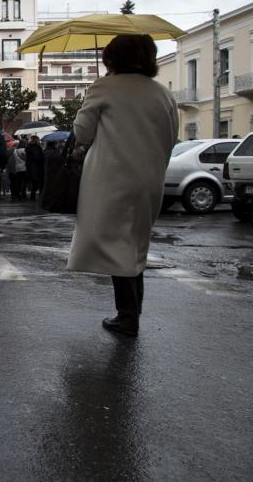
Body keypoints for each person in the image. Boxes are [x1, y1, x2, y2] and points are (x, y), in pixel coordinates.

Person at [67, 34, 178, 338]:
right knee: (134, 241)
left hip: (112, 176)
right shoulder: (162, 93)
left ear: (113, 58)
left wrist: (93, 96)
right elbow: (171, 136)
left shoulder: (105, 87)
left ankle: (127, 316)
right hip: (150, 177)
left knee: (115, 242)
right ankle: (131, 313)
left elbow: (82, 132)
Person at [25, 135, 45, 200]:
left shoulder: (29, 147)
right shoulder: (35, 147)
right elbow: (38, 157)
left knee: (34, 182)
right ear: (36, 140)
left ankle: (32, 196)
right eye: (38, 139)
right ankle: (34, 196)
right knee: (36, 181)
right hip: (35, 167)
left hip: (30, 166)